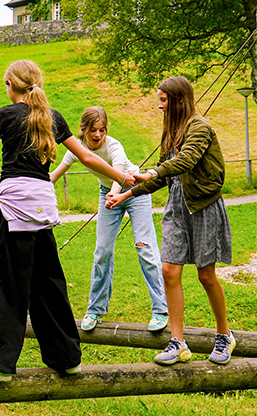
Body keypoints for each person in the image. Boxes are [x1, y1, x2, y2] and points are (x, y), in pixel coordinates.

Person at [0, 59, 135, 382]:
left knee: (1, 279)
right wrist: (123, 176)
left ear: (11, 86)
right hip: (43, 208)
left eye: (6, 85)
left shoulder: (6, 115)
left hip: (13, 209)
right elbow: (88, 157)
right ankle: (67, 357)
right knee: (48, 283)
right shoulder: (53, 118)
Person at [106, 76, 235, 366]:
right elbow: (164, 177)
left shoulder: (200, 127)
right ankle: (178, 342)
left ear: (178, 100)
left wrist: (153, 172)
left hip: (203, 206)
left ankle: (224, 335)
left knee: (205, 275)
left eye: (163, 100)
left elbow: (186, 161)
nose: (159, 105)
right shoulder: (171, 132)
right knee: (169, 271)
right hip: (177, 208)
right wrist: (127, 195)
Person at [50, 106, 168, 333]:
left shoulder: (113, 146)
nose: (97, 135)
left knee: (145, 247)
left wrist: (116, 194)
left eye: (102, 130)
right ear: (83, 129)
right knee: (102, 250)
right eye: (93, 130)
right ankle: (95, 309)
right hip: (108, 194)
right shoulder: (76, 148)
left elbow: (119, 173)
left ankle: (160, 309)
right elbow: (55, 176)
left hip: (135, 190)